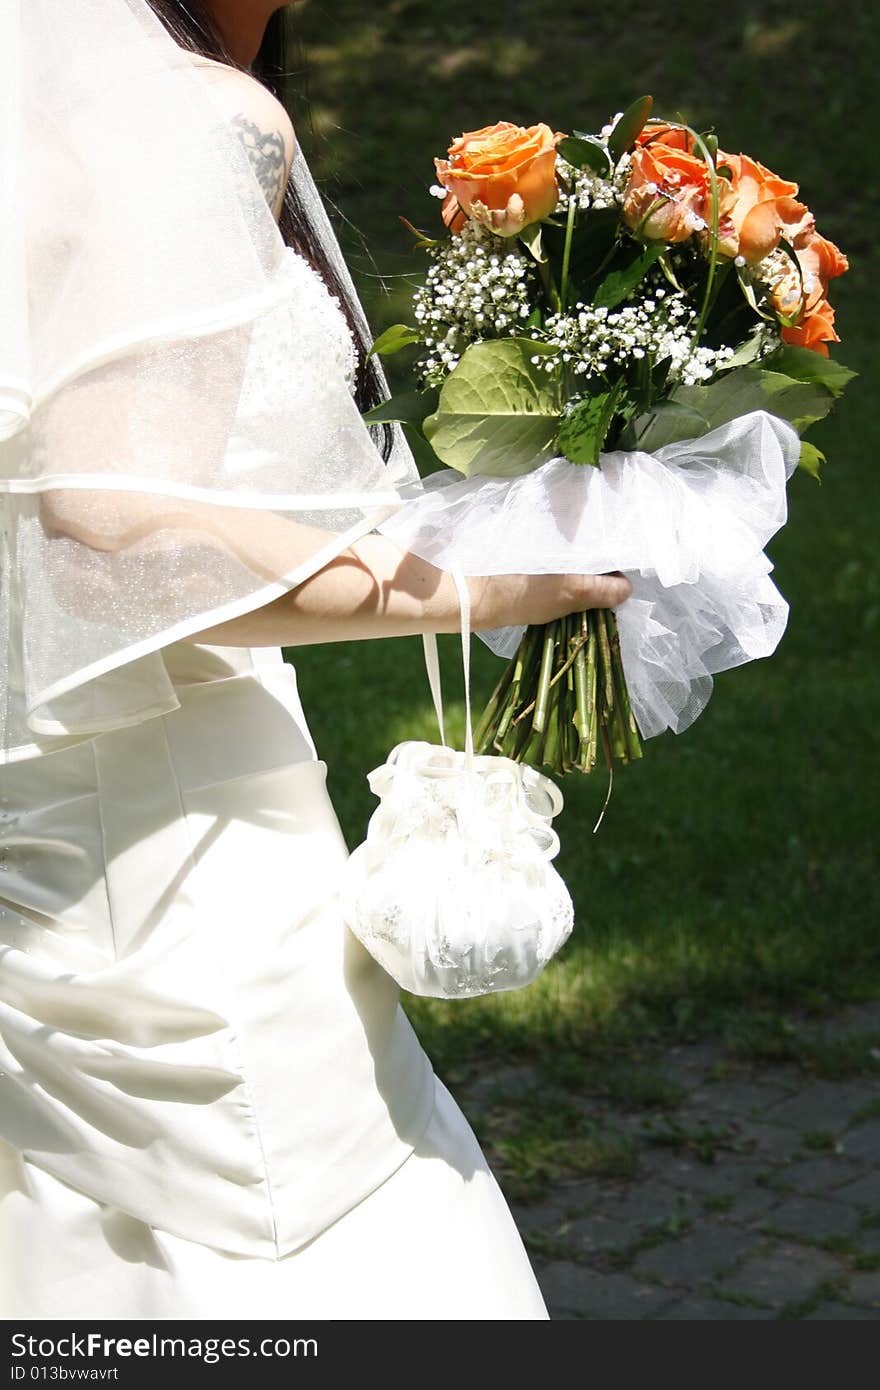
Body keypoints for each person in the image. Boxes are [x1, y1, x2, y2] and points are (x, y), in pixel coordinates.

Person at [0, 0, 631, 1320]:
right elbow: (110, 537)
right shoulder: (199, 118)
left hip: (43, 791)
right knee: (283, 1212)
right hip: (172, 828)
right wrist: (477, 591)